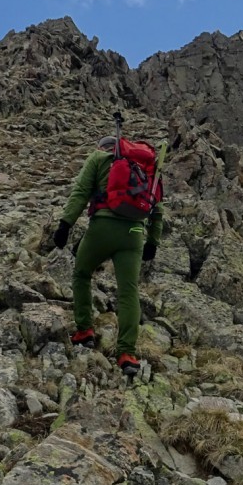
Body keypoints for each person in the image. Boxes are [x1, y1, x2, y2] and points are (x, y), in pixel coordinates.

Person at [53, 135, 164, 376]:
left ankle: (85, 330)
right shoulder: (145, 167)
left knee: (82, 273)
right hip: (134, 233)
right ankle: (127, 353)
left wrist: (65, 224)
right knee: (128, 290)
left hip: (102, 228)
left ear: (100, 147)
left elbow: (81, 191)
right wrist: (153, 241)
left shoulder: (98, 158)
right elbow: (157, 207)